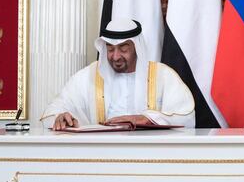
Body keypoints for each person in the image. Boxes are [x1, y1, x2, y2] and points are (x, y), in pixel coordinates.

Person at [42, 18, 195, 129]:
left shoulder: (163, 76)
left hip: (150, 157)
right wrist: (60, 116)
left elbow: (186, 116)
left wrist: (145, 119)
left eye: (123, 48)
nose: (115, 56)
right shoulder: (87, 77)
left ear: (136, 47)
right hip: (100, 157)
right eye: (110, 48)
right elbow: (52, 110)